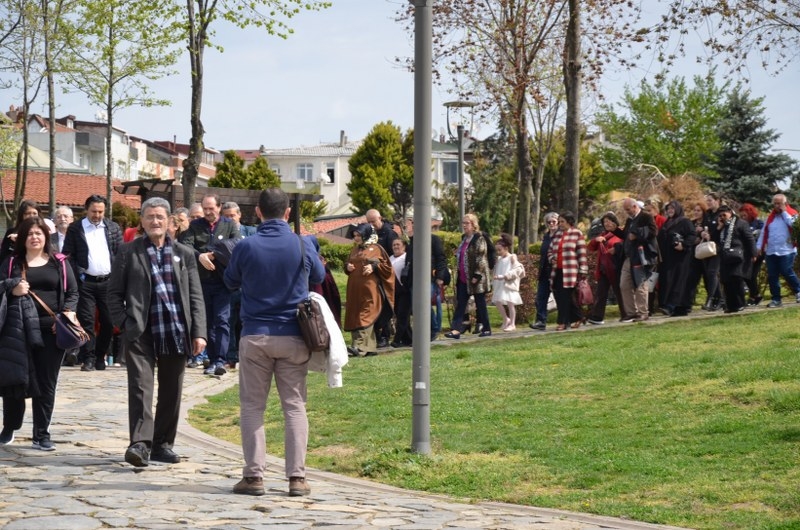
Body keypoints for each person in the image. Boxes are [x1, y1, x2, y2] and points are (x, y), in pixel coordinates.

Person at [223, 187, 325, 497]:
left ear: (257, 212)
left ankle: (254, 477)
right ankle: (297, 478)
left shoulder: (247, 246)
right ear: (288, 213)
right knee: (294, 406)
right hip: (294, 335)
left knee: (253, 407)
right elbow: (318, 274)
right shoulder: (302, 243)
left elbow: (230, 281)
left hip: (256, 334)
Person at [108, 198, 207, 467]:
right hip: (140, 331)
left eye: (160, 217)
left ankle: (163, 444)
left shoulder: (185, 254)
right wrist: (124, 323)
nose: (155, 221)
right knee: (141, 387)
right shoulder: (128, 252)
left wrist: (199, 332)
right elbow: (113, 293)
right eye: (150, 216)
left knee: (171, 390)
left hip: (175, 330)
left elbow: (195, 296)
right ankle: (140, 444)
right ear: (141, 221)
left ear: (170, 221)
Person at [0, 217, 79, 449]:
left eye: (39, 233)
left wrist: (67, 314)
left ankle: (41, 434)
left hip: (51, 329)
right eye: (30, 233)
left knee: (46, 384)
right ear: (23, 238)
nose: (35, 237)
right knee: (15, 381)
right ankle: (9, 427)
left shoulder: (60, 262)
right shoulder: (12, 262)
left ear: (47, 237)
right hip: (18, 329)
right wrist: (12, 288)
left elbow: (73, 292)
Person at [178, 194, 238, 375]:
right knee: (207, 322)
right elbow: (185, 245)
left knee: (222, 320)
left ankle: (220, 359)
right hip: (201, 282)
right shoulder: (195, 226)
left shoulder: (229, 225)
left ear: (219, 207)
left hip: (222, 282)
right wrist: (199, 256)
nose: (208, 212)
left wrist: (213, 253)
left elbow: (236, 245)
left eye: (212, 208)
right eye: (205, 208)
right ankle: (211, 360)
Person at [62, 194, 123, 371]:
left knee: (109, 321)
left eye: (100, 212)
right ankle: (88, 357)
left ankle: (99, 355)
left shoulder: (113, 228)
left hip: (108, 282)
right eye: (94, 211)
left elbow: (120, 255)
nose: (97, 215)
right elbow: (68, 255)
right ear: (86, 210)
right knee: (87, 321)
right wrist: (76, 274)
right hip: (85, 282)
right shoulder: (76, 228)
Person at [343, 223, 395, 356]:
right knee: (356, 315)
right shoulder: (355, 250)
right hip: (355, 290)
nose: (356, 238)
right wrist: (347, 267)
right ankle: (369, 348)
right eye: (354, 236)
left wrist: (374, 267)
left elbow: (387, 267)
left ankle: (359, 347)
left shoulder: (377, 248)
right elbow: (348, 263)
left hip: (371, 290)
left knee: (365, 316)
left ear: (366, 234)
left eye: (359, 235)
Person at [444, 213, 492, 339]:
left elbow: (481, 258)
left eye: (467, 223)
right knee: (460, 304)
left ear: (473, 225)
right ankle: (456, 330)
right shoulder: (463, 239)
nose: (464, 225)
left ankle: (486, 328)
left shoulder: (479, 238)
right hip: (463, 278)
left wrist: (476, 275)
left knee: (480, 304)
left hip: (476, 279)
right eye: (463, 223)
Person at [616, 198, 658, 322]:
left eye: (628, 209)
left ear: (634, 206)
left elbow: (654, 231)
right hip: (629, 256)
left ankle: (643, 312)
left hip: (641, 256)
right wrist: (615, 230)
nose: (627, 212)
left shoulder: (646, 216)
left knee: (640, 284)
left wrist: (637, 234)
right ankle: (631, 312)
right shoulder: (630, 220)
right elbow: (626, 236)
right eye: (625, 210)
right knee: (624, 284)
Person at [756, 193, 800, 308]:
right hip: (771, 251)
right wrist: (759, 246)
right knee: (772, 275)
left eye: (779, 203)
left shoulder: (791, 214)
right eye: (775, 203)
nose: (776, 206)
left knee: (786, 271)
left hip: (787, 250)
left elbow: (794, 224)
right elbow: (764, 232)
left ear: (785, 204)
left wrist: (784, 212)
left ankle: (798, 291)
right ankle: (776, 299)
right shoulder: (771, 217)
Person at [656, 201, 698, 317]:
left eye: (672, 209)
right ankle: (668, 305)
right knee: (668, 281)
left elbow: (692, 235)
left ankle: (674, 306)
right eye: (668, 209)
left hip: (680, 259)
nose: (670, 211)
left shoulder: (685, 222)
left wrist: (683, 245)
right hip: (667, 258)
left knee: (678, 281)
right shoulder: (667, 223)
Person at [547, 212, 588, 330]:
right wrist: (551, 258)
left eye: (562, 222)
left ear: (569, 222)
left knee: (564, 297)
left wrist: (583, 270)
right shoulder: (557, 234)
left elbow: (581, 253)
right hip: (557, 271)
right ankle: (579, 317)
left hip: (570, 271)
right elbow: (550, 250)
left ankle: (563, 322)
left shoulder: (576, 233)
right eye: (559, 222)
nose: (560, 224)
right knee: (561, 296)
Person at [714, 205, 757, 313]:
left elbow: (749, 238)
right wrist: (719, 228)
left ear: (730, 212)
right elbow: (714, 239)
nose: (723, 217)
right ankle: (731, 305)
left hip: (738, 256)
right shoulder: (721, 226)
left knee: (736, 279)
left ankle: (739, 304)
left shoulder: (740, 223)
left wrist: (753, 253)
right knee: (726, 281)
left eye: (724, 215)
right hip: (725, 256)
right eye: (720, 215)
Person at [365, 209, 398, 348]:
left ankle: (384, 335)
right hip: (372, 276)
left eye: (373, 221)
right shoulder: (369, 235)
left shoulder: (390, 234)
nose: (372, 225)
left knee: (385, 307)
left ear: (381, 218)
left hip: (385, 275)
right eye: (369, 222)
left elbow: (394, 256)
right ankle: (376, 335)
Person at [587, 212, 625, 325]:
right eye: (605, 222)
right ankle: (597, 317)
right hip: (603, 268)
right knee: (601, 293)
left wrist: (616, 249)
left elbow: (624, 247)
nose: (607, 223)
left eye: (609, 221)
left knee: (619, 292)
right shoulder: (602, 234)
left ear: (614, 222)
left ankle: (626, 314)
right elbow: (591, 247)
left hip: (615, 268)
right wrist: (595, 240)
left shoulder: (620, 234)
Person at [530, 212, 559, 330]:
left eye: (554, 222)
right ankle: (541, 321)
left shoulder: (560, 236)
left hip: (556, 270)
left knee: (559, 296)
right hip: (544, 271)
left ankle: (566, 319)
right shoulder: (546, 236)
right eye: (549, 222)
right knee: (541, 297)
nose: (551, 224)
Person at [491, 233, 524, 332]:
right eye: (497, 250)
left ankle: (513, 323)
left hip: (508, 284)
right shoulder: (499, 259)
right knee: (497, 301)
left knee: (510, 303)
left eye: (500, 250)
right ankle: (506, 319)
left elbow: (517, 269)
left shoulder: (512, 257)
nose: (498, 252)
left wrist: (505, 276)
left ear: (506, 248)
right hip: (499, 284)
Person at [700, 192, 724, 311]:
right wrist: (702, 233)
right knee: (709, 274)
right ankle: (720, 299)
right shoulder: (708, 214)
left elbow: (722, 229)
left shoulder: (722, 213)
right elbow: (705, 227)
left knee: (712, 272)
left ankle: (710, 299)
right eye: (707, 201)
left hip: (718, 247)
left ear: (717, 200)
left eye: (710, 200)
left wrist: (714, 233)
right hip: (708, 246)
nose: (708, 203)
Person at [738, 203, 765, 306]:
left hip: (757, 253)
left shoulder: (758, 223)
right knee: (746, 276)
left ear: (750, 214)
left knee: (751, 275)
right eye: (741, 216)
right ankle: (755, 295)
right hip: (746, 254)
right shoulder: (741, 225)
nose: (743, 218)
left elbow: (762, 236)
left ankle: (754, 295)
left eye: (745, 215)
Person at [389, 238, 412, 347]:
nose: (396, 247)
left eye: (398, 244)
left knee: (403, 315)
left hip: (405, 291)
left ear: (404, 246)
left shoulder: (406, 257)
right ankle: (409, 339)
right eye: (394, 245)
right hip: (394, 292)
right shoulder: (390, 258)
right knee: (400, 315)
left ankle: (397, 340)